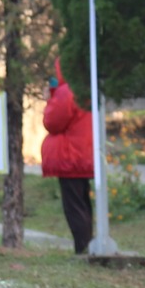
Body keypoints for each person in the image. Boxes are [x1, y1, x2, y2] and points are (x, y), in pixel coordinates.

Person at [40, 61, 95, 255]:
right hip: (83, 154)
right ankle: (87, 247)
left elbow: (51, 122)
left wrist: (49, 99)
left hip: (69, 157)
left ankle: (83, 250)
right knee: (83, 204)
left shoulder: (66, 92)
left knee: (74, 207)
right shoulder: (88, 88)